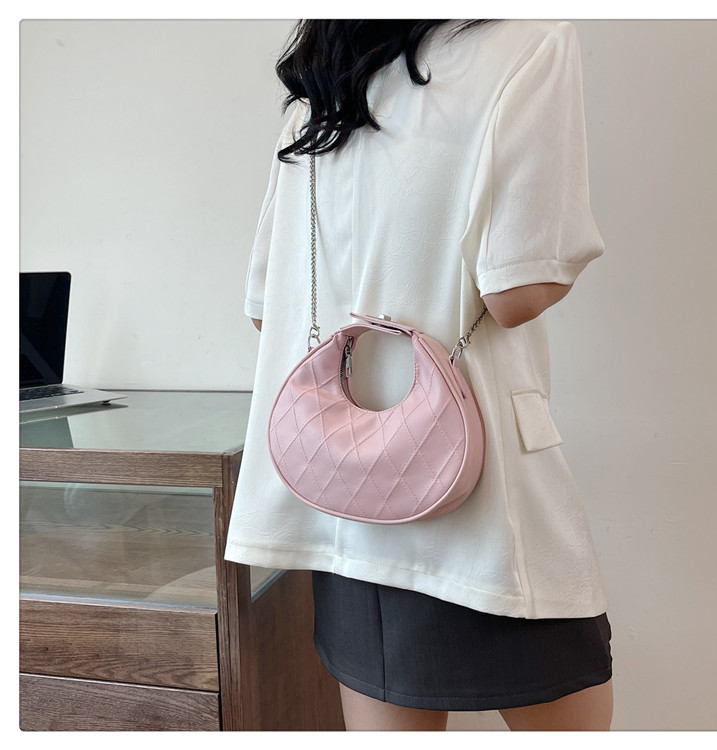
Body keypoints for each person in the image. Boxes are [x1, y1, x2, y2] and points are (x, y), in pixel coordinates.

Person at [225, 19, 613, 731]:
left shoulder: (322, 86)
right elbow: (517, 290)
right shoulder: (531, 44)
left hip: (345, 503)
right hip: (484, 510)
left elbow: (264, 310)